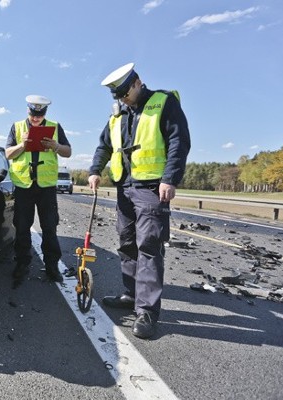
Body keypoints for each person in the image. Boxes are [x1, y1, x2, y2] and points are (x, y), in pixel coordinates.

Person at [88, 63, 191, 339]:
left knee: (149, 246)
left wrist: (170, 178)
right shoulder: (118, 114)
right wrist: (95, 171)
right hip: (125, 188)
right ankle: (131, 295)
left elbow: (179, 141)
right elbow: (104, 145)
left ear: (137, 83)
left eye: (125, 93)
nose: (122, 99)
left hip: (152, 188)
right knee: (126, 243)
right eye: (117, 96)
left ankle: (146, 311)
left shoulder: (163, 102)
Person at [5, 95, 72, 284]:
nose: (35, 118)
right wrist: (22, 145)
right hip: (24, 185)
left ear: (45, 113)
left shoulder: (55, 127)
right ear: (28, 110)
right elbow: (7, 153)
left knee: (49, 227)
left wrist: (56, 146)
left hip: (46, 187)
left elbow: (68, 151)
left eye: (39, 115)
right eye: (33, 115)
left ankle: (52, 267)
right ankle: (22, 264)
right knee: (22, 228)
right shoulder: (17, 127)